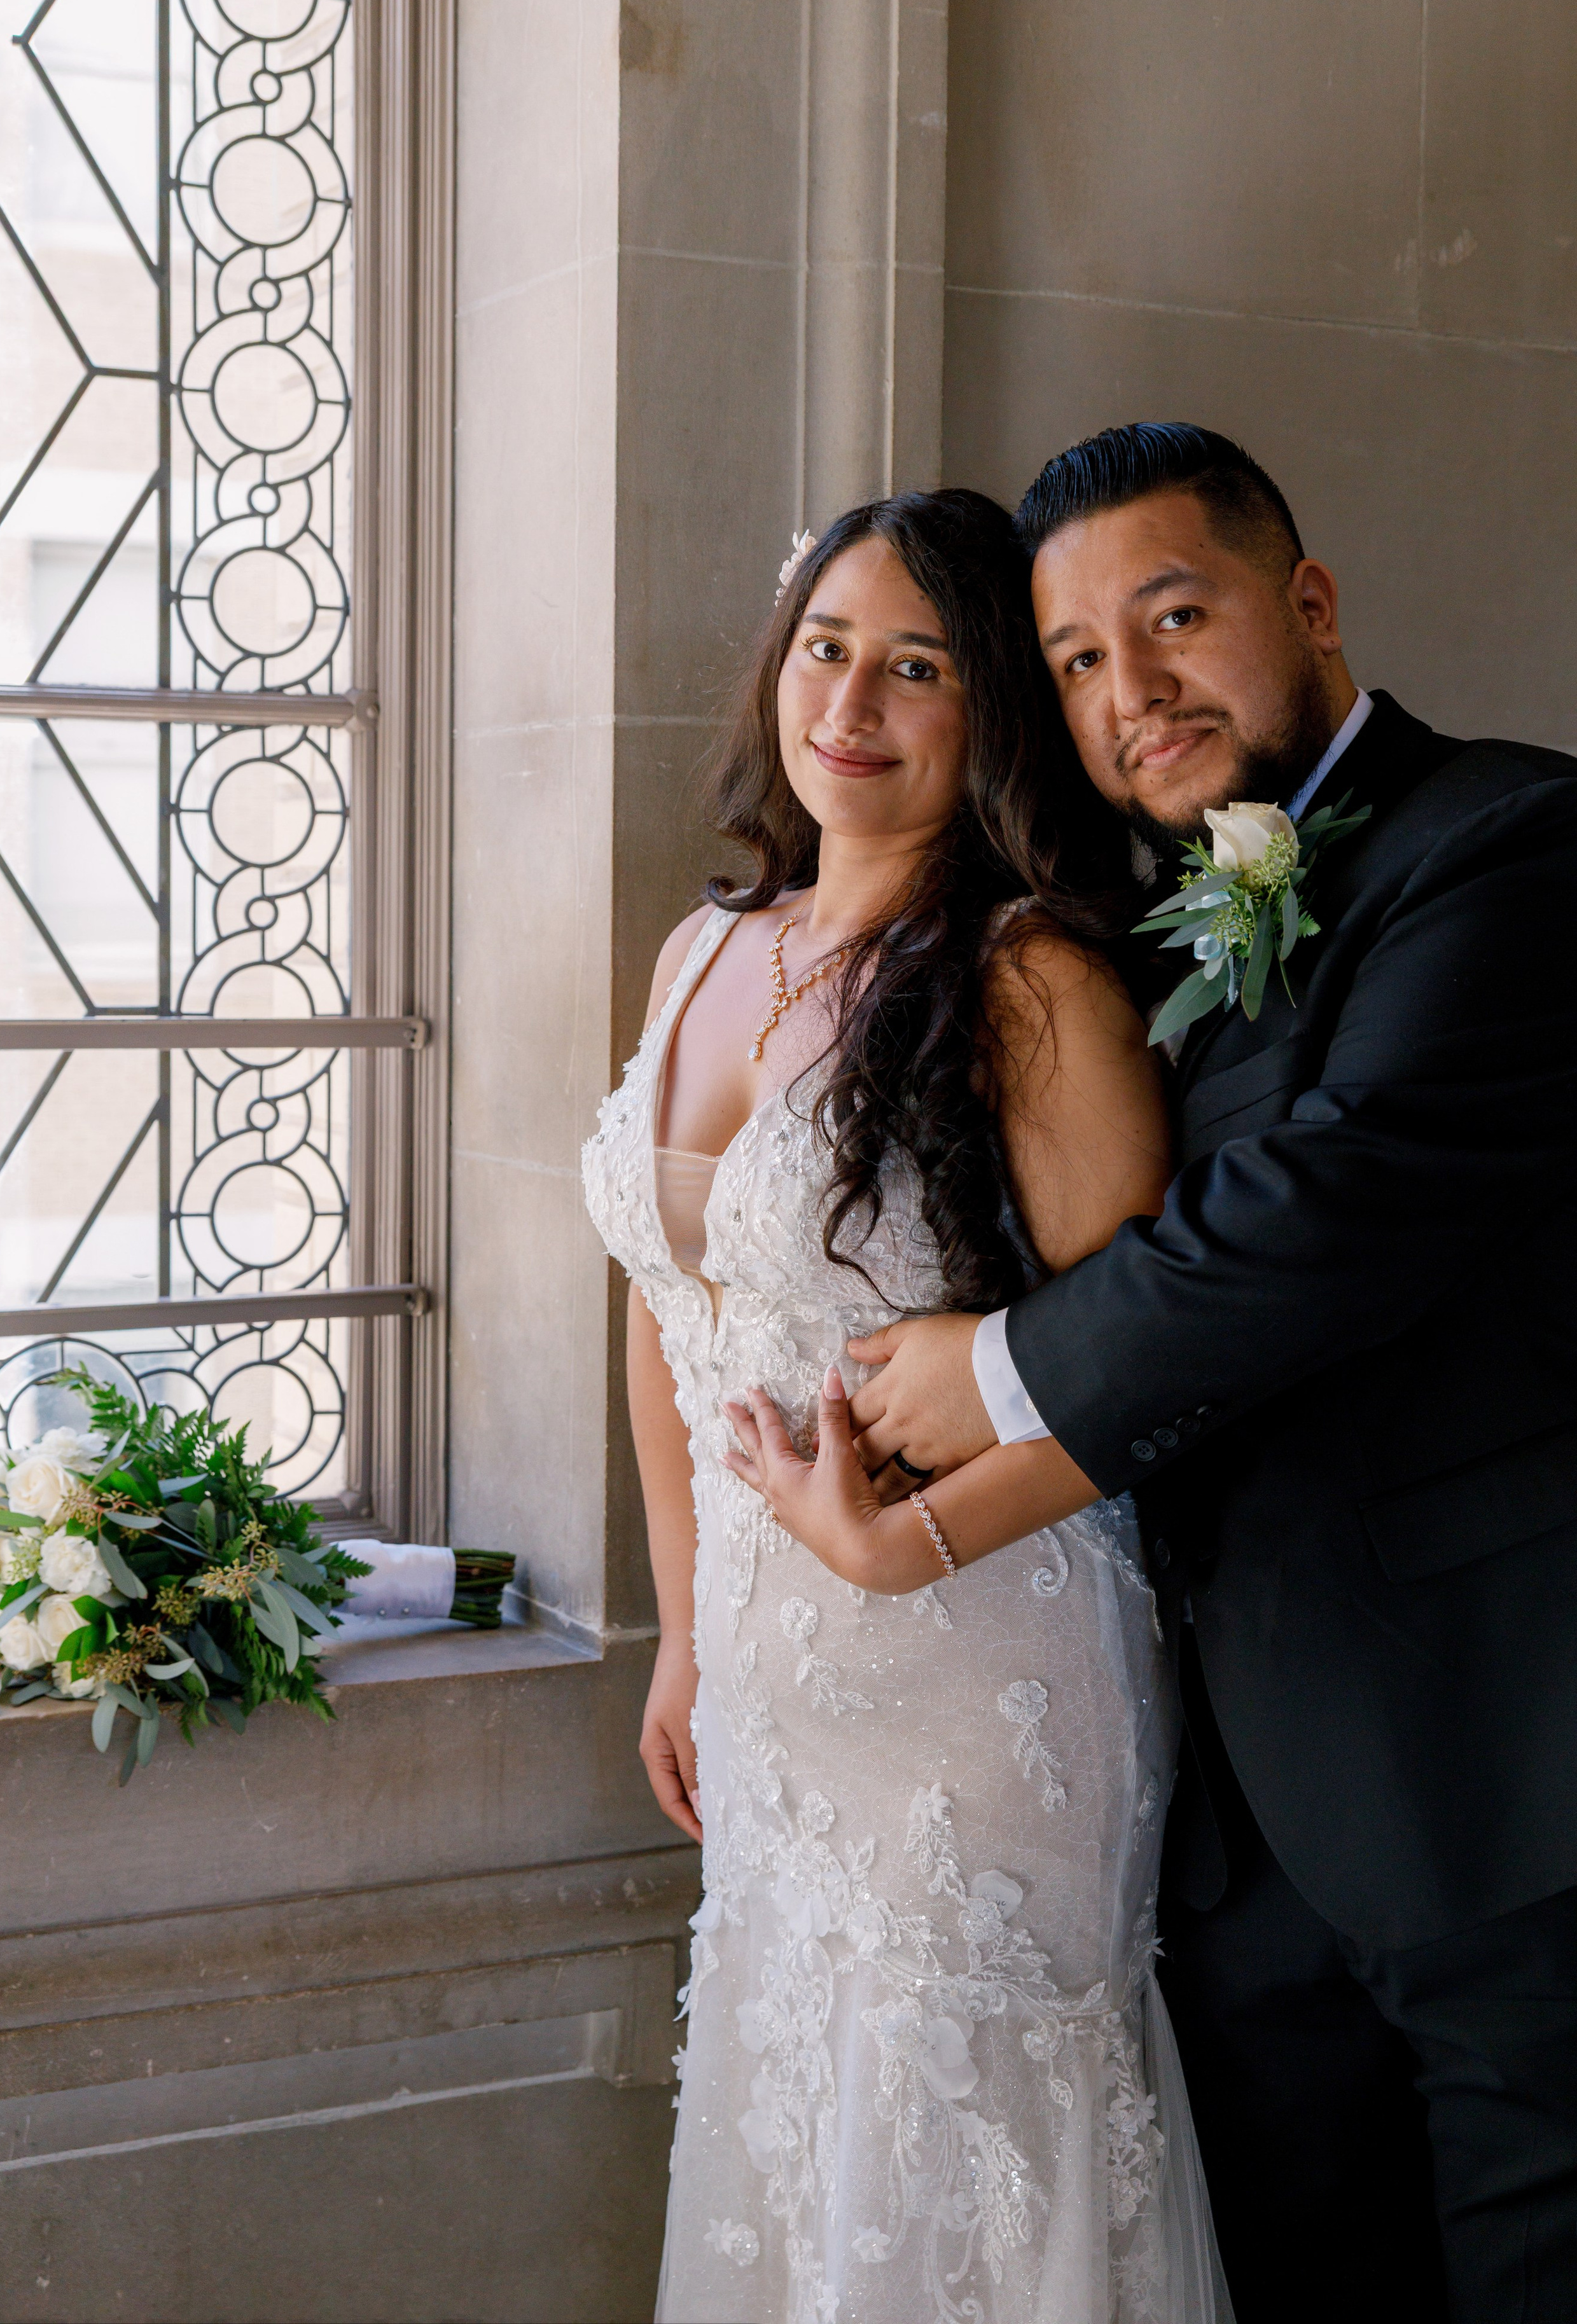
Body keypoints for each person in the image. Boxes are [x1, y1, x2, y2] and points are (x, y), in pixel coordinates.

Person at [739, 426, 1577, 2322]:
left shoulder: (1513, 840)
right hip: (1232, 1835)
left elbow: (1326, 1211)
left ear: (1311, 602)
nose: (1136, 688)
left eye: (1175, 618)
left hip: (1499, 1786)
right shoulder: (1150, 918)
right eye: (1080, 659)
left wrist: (995, 1374)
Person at [582, 488, 1232, 2323]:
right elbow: (667, 1313)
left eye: (918, 666)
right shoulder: (706, 947)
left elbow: (1149, 1370)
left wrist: (909, 1541)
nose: (851, 701)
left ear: (993, 706)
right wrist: (687, 1635)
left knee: (965, 2189)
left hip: (981, 1682)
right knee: (809, 2180)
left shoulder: (1027, 977)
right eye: (826, 647)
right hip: (771, 1692)